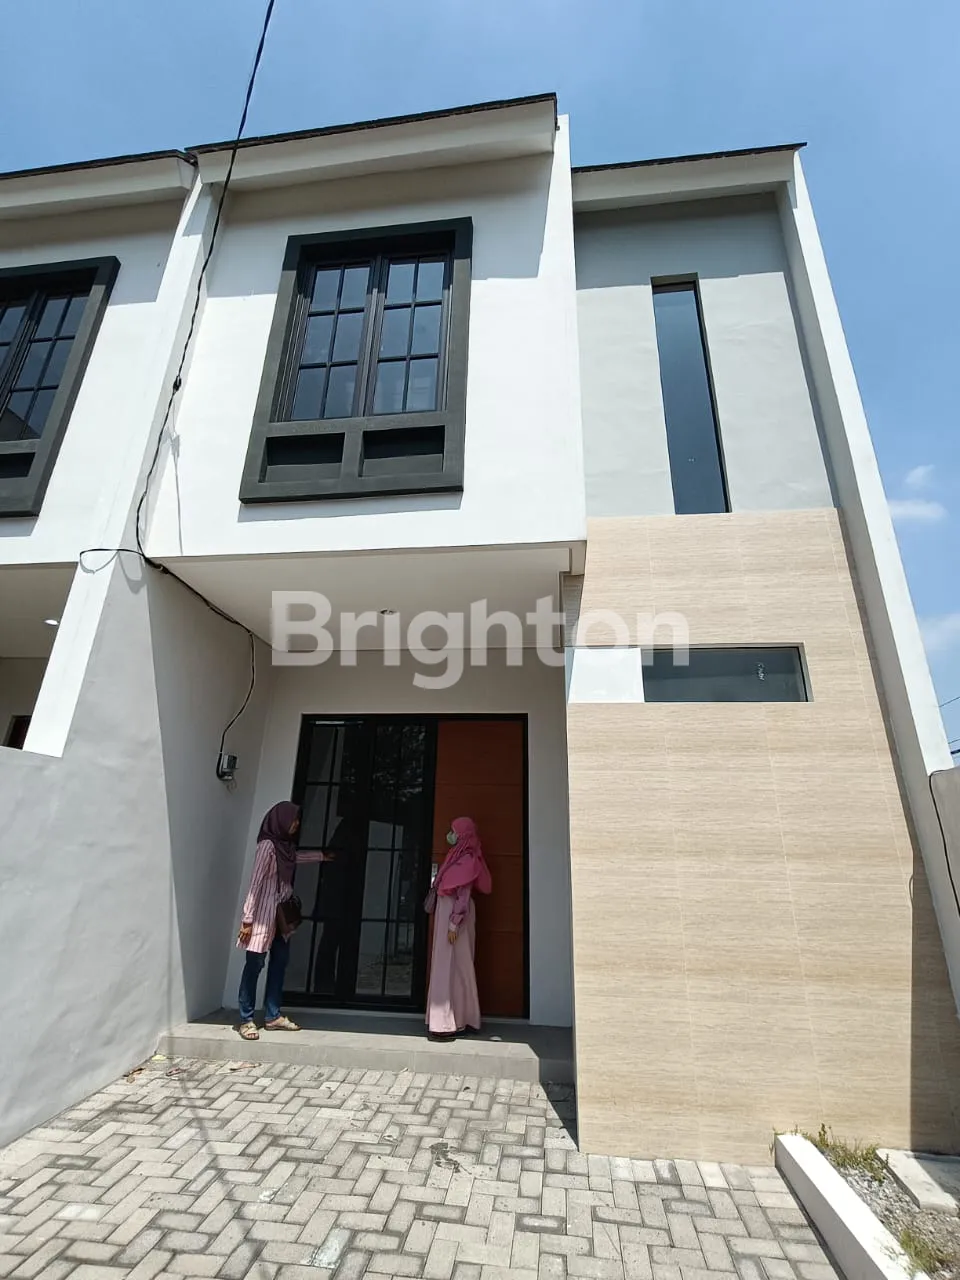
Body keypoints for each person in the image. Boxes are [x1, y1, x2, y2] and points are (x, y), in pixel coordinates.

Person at [236, 800, 332, 1040]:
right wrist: (247, 920)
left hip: (281, 918)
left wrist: (321, 856)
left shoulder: (285, 847)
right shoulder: (267, 846)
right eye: (293, 819)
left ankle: (273, 1015)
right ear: (281, 820)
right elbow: (255, 883)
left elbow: (296, 858)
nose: (296, 824)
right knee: (254, 966)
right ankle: (246, 1019)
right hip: (261, 918)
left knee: (279, 964)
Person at [426, 816, 492, 1039]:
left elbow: (463, 895)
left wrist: (454, 923)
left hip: (455, 918)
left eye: (454, 831)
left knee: (456, 966)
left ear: (462, 835)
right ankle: (449, 1019)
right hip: (448, 914)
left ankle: (452, 1020)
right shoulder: (455, 857)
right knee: (448, 965)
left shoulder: (467, 860)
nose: (450, 835)